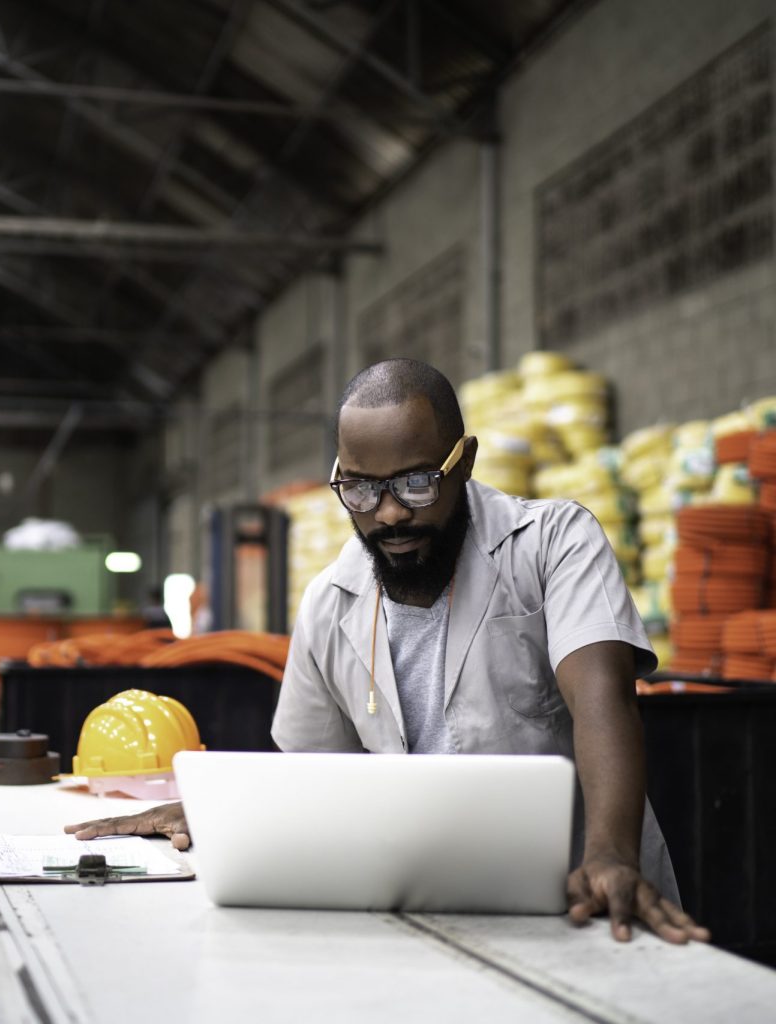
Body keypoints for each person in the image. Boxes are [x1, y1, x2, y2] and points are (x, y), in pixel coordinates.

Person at [67, 358, 709, 946]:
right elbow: (317, 780)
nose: (389, 514)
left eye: (416, 484)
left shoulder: (552, 544)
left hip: (585, 903)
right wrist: (220, 812)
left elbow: (603, 699)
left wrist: (612, 856)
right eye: (362, 490)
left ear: (466, 461)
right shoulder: (330, 603)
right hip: (425, 914)